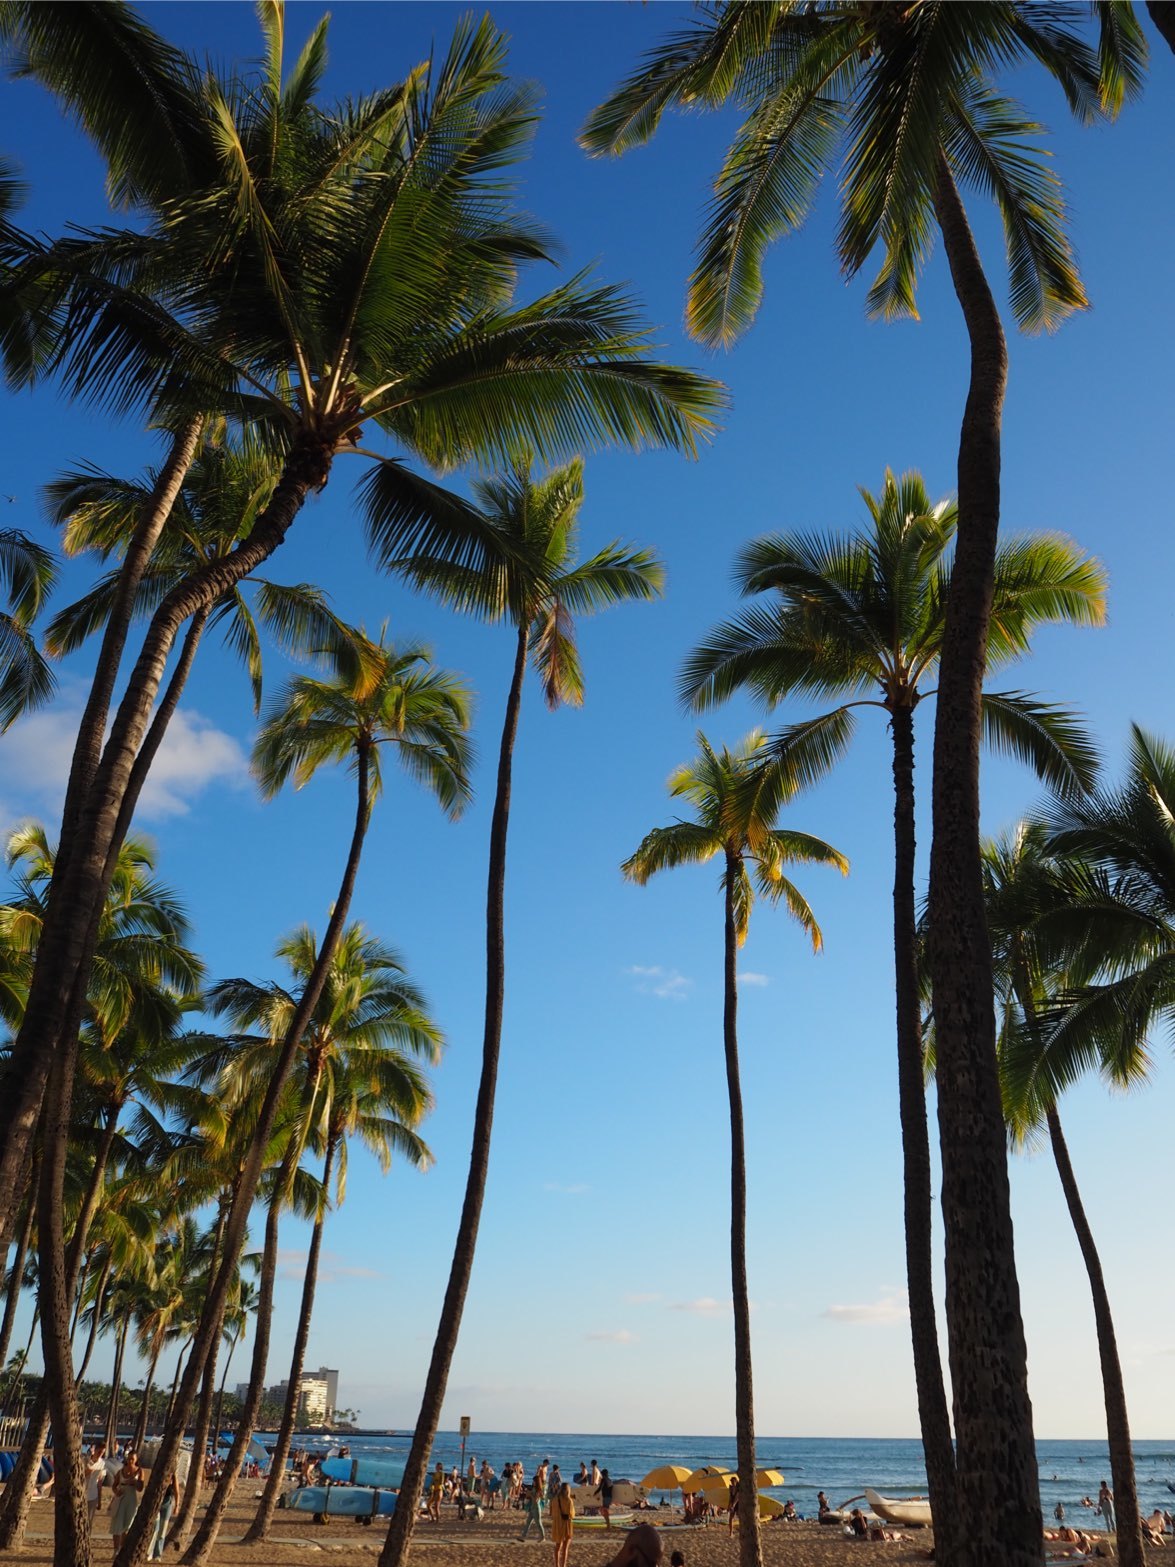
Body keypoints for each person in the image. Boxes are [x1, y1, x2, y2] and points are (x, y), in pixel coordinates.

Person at [110, 1450, 145, 1563]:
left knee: (127, 1524)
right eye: (129, 1459)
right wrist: (116, 1492)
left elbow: (140, 1488)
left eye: (132, 1459)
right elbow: (114, 1485)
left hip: (131, 1498)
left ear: (136, 1460)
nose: (130, 1461)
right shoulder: (121, 1471)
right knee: (117, 1523)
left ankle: (123, 1549)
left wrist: (135, 1482)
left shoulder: (140, 1471)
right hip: (121, 1496)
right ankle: (116, 1549)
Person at [148, 1469, 179, 1562]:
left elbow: (177, 1492)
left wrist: (176, 1506)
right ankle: (150, 1552)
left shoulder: (173, 1476)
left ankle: (158, 1554)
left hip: (167, 1503)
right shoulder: (159, 1472)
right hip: (157, 1502)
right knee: (155, 1528)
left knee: (162, 1531)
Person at [551, 1480, 575, 1567]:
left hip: (557, 1524)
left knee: (557, 1547)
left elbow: (552, 1512)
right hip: (566, 1525)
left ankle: (556, 1565)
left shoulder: (555, 1499)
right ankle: (563, 1565)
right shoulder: (569, 1500)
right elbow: (572, 1515)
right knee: (565, 1548)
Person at [520, 1469, 547, 1542]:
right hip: (532, 1508)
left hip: (536, 1509)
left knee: (539, 1523)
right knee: (528, 1522)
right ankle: (523, 1536)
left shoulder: (538, 1490)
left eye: (534, 1481)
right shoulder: (534, 1488)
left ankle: (543, 1537)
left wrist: (530, 1494)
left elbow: (536, 1499)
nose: (533, 1482)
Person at [85, 1442, 107, 1523]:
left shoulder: (102, 1464)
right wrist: (88, 1471)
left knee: (89, 1520)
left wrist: (99, 1501)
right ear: (95, 1450)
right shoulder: (86, 1460)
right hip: (83, 1493)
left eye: (102, 1453)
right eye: (99, 1452)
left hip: (93, 1495)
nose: (100, 1454)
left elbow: (100, 1483)